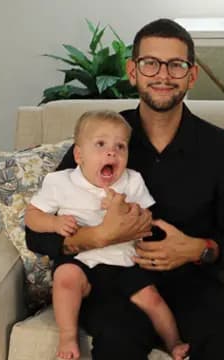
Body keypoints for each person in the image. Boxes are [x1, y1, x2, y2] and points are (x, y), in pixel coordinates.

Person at [26, 18, 224, 360]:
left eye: (176, 65)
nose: (163, 75)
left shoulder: (222, 148)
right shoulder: (101, 137)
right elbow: (36, 231)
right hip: (109, 281)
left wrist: (198, 249)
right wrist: (93, 238)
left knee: (223, 334)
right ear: (132, 71)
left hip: (190, 282)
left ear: (191, 75)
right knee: (116, 339)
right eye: (151, 63)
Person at [25, 110, 189, 360]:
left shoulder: (132, 181)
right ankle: (68, 338)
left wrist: (123, 208)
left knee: (152, 299)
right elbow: (32, 216)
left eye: (120, 147)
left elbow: (146, 218)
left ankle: (174, 342)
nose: (111, 152)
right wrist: (54, 222)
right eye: (100, 144)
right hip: (81, 260)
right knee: (65, 279)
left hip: (123, 261)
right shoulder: (61, 182)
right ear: (78, 155)